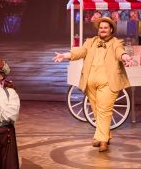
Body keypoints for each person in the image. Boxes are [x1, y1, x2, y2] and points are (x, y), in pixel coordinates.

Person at [52, 16, 133, 152]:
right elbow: (80, 51)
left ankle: (102, 140)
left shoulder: (115, 42)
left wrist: (125, 57)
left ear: (111, 29)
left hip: (108, 83)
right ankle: (104, 135)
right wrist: (66, 55)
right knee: (96, 110)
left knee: (104, 110)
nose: (102, 30)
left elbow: (120, 52)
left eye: (105, 28)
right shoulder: (91, 42)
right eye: (101, 28)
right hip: (90, 82)